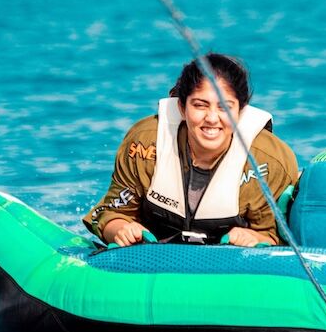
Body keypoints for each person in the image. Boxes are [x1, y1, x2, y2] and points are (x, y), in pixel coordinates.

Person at [84, 54, 300, 247]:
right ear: (182, 107)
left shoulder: (270, 161)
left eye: (225, 107)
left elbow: (276, 236)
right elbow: (111, 213)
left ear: (241, 111)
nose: (212, 118)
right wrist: (120, 229)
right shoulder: (143, 145)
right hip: (154, 256)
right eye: (200, 105)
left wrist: (256, 238)